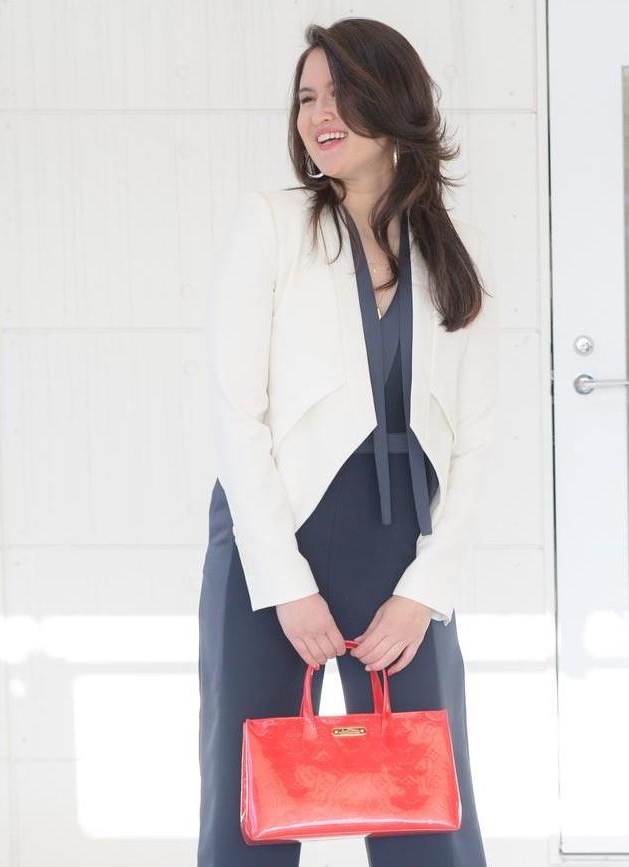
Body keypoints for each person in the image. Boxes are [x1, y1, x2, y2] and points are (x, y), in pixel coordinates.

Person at [197, 16, 498, 867]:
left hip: (401, 544)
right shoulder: (272, 224)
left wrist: (424, 591)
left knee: (424, 803)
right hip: (272, 533)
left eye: (340, 93)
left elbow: (476, 438)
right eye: (306, 98)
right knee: (250, 804)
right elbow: (235, 413)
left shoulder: (452, 247)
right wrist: (284, 584)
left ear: (392, 102)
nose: (318, 115)